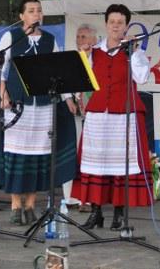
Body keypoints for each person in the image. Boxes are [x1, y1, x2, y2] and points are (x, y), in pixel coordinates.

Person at [0, 0, 77, 225]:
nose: (37, 14)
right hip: (18, 105)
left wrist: (67, 99)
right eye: (31, 10)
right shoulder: (12, 37)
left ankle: (31, 205)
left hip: (43, 106)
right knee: (17, 156)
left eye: (39, 10)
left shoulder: (49, 40)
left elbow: (59, 70)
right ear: (22, 16)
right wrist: (4, 95)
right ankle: (16, 205)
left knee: (39, 156)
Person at [72, 4, 153, 230]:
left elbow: (142, 78)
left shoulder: (133, 52)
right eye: (112, 22)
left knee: (121, 164)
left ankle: (119, 213)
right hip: (98, 115)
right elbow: (80, 78)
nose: (116, 26)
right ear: (106, 25)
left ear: (126, 26)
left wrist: (133, 53)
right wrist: (84, 56)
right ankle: (96, 211)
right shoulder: (94, 51)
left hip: (123, 115)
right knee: (96, 163)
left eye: (120, 22)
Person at [61, 23, 97, 210]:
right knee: (71, 152)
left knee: (90, 153)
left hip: (94, 112)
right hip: (73, 110)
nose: (79, 40)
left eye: (83, 36)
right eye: (77, 36)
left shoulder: (98, 59)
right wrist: (68, 99)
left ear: (93, 40)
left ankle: (89, 197)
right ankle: (71, 197)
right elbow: (62, 82)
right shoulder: (70, 58)